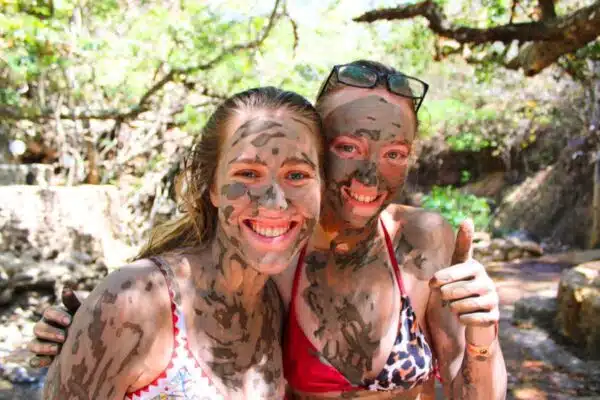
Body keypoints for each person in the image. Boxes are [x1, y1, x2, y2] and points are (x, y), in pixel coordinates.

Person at [31, 61, 507, 399]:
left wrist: (481, 329)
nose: (369, 175)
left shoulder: (420, 238)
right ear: (321, 155)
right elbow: (173, 304)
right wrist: (91, 328)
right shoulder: (274, 253)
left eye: (395, 154)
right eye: (348, 146)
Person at [38, 86, 325, 399]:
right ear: (212, 187)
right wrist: (95, 324)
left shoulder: (279, 302)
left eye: (297, 175)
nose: (275, 202)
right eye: (247, 173)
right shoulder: (135, 303)